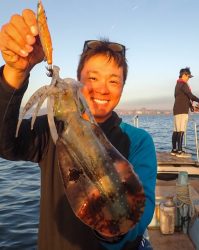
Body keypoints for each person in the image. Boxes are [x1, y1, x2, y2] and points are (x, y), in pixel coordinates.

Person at [0, 9, 157, 250]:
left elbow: (138, 213)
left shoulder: (137, 141)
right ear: (77, 81)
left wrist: (113, 231)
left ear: (123, 87)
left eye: (113, 81)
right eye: (92, 78)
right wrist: (16, 72)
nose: (102, 89)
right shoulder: (51, 129)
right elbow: (5, 143)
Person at [171, 67, 199, 158]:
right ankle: (180, 151)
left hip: (177, 110)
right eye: (188, 77)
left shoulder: (178, 84)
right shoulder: (183, 84)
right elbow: (190, 95)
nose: (189, 79)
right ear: (184, 75)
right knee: (181, 130)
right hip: (182, 110)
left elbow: (184, 97)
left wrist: (191, 107)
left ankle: (174, 150)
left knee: (176, 130)